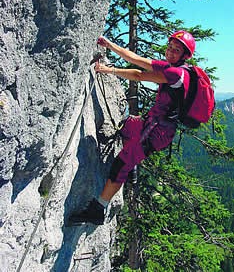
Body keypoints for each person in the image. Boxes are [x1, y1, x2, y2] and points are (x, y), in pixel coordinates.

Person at [68, 30, 196, 226]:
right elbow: (138, 59)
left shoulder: (175, 74)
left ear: (185, 55)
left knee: (121, 163)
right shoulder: (173, 67)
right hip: (151, 123)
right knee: (128, 126)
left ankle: (98, 209)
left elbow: (139, 74)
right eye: (169, 47)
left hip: (157, 132)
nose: (170, 52)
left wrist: (109, 70)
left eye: (176, 50)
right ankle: (133, 165)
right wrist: (109, 45)